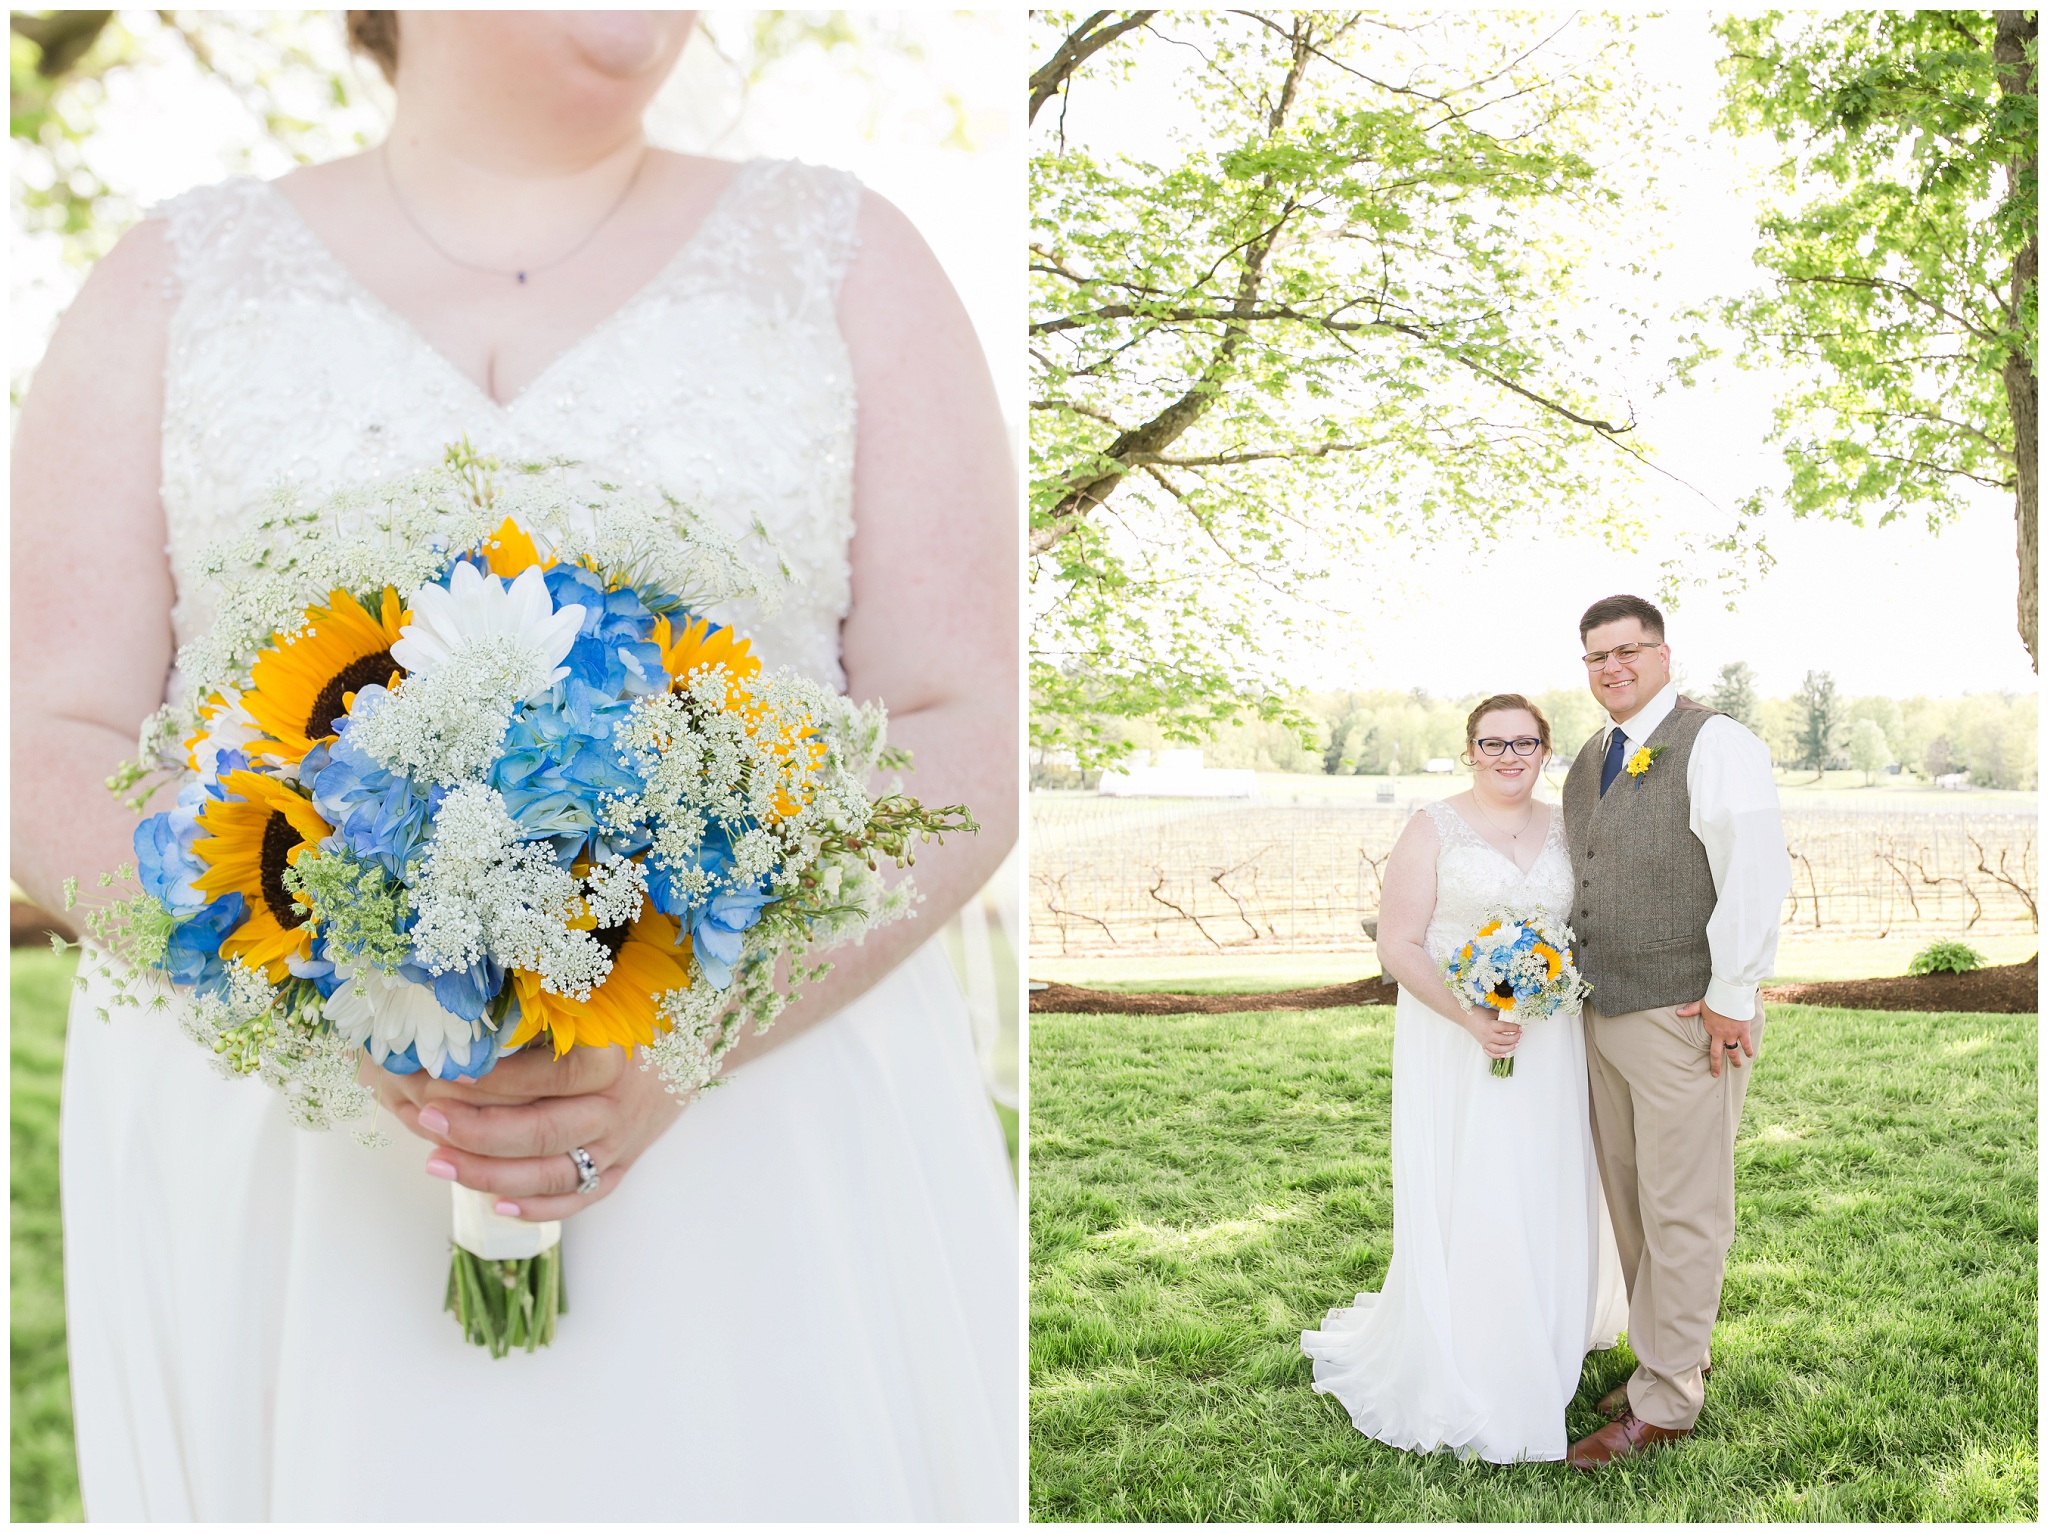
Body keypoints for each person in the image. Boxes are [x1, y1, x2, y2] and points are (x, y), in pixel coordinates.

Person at [11, 12, 1018, 1520]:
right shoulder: (171, 281)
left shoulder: (851, 260)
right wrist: (319, 990)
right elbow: (48, 736)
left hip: (765, 1141)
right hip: (295, 1167)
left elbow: (966, 723)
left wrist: (680, 1037)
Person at [1301, 696, 1627, 1464]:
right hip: (1454, 1035)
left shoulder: (1566, 827)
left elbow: (1584, 926)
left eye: (1524, 741)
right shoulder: (1431, 825)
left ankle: (1544, 1325)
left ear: (1546, 749)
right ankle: (1475, 1344)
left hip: (1545, 1036)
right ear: (1470, 749)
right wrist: (1471, 1017)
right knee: (1475, 1177)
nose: (1507, 753)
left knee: (1542, 1177)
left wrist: (1546, 985)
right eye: (1492, 741)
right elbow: (1399, 943)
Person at [1560, 594, 1788, 1469]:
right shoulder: (1591, 757)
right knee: (1632, 1202)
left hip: (1688, 1009)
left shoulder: (1716, 742)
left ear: (1662, 653)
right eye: (1596, 656)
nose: (1612, 667)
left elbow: (1755, 868)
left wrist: (1734, 990)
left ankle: (1667, 1402)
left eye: (1627, 649)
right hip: (1601, 1011)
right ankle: (1666, 1358)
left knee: (1684, 1208)